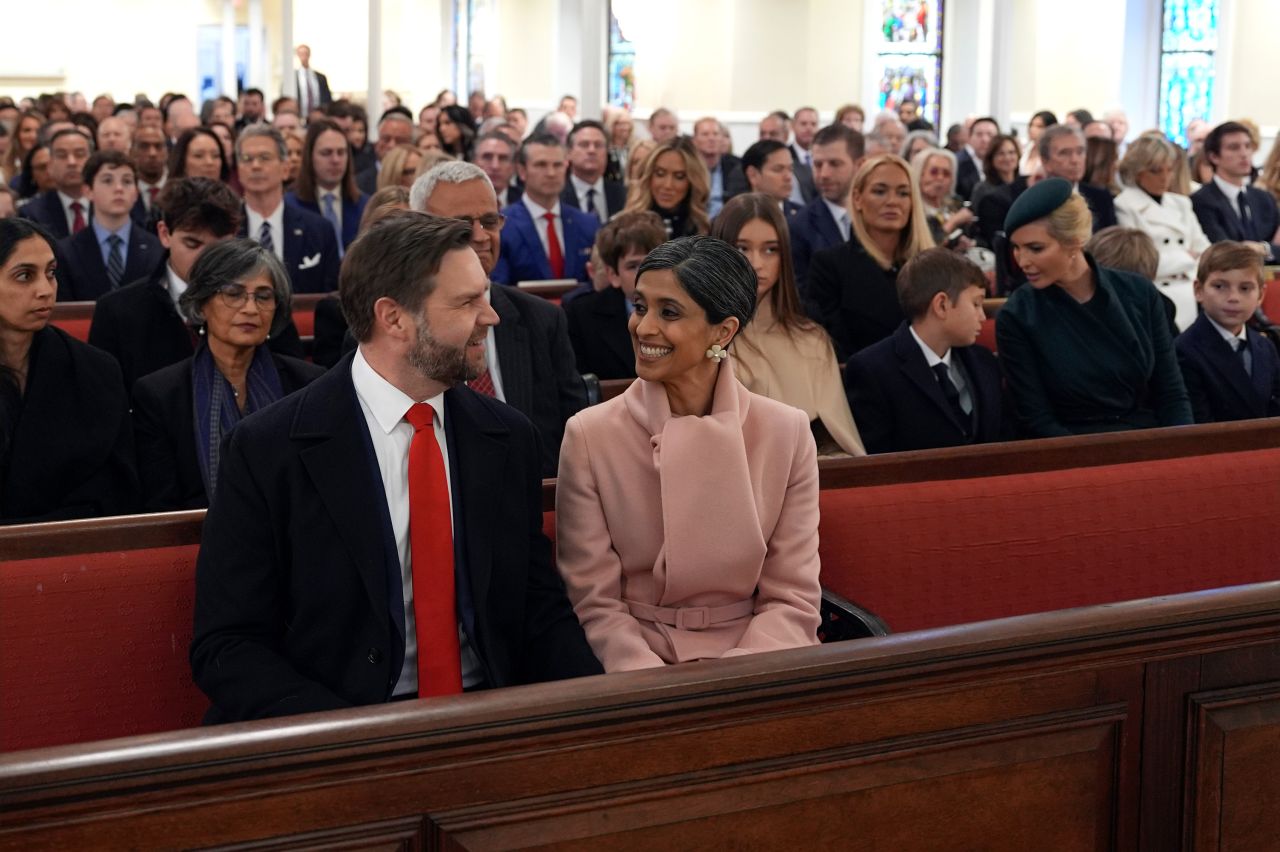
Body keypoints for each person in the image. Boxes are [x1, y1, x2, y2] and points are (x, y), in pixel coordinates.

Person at [190, 214, 602, 722]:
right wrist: (353, 742)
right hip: (335, 725)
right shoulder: (267, 449)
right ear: (394, 318)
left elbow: (537, 609)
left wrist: (600, 709)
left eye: (485, 296)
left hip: (489, 714)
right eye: (467, 302)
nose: (491, 317)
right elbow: (228, 645)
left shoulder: (507, 437)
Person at [556, 235, 822, 671]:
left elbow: (792, 598)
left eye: (669, 312)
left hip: (762, 665)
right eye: (640, 307)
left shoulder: (786, 432)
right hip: (636, 669)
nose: (643, 328)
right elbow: (595, 605)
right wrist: (656, 691)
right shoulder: (590, 435)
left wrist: (737, 682)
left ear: (724, 330)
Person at [412, 160, 588, 476]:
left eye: (490, 221)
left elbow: (574, 437)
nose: (481, 236)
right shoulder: (397, 327)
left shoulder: (543, 320)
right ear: (419, 229)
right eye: (463, 224)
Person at [132, 240, 323, 511]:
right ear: (202, 304)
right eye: (234, 294)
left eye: (263, 296)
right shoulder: (160, 395)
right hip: (199, 544)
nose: (250, 308)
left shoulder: (309, 385)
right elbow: (161, 507)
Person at [996, 178, 1192, 437]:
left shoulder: (1138, 292)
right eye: (1017, 249)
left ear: (1074, 241)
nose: (1022, 261)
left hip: (1148, 440)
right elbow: (1037, 419)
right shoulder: (1018, 315)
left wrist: (1183, 450)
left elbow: (1172, 392)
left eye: (1035, 248)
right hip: (1073, 453)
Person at [89, 177, 302, 390]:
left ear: (235, 237)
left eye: (219, 246)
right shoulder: (118, 311)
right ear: (164, 233)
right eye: (193, 244)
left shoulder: (260, 301)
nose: (206, 259)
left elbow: (293, 384)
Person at [0, 218, 138, 524]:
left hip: (68, 549)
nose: (45, 290)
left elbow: (115, 490)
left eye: (51, 274)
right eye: (24, 276)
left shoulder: (95, 371)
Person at [712, 193, 864, 457]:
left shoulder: (812, 339)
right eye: (742, 249)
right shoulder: (699, 338)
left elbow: (840, 439)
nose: (757, 263)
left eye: (771, 249)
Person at [845, 248, 1007, 453]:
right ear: (941, 305)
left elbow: (1003, 438)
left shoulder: (985, 361)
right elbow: (878, 460)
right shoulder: (872, 370)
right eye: (975, 303)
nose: (982, 317)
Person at [807, 153, 935, 360]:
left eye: (903, 193)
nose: (892, 201)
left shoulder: (931, 266)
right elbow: (831, 346)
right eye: (879, 191)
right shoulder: (829, 265)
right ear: (857, 199)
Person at [1175, 241, 1280, 423]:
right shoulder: (1184, 351)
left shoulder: (1266, 346)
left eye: (1245, 288)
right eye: (1220, 286)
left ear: (1260, 295)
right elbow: (1198, 424)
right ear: (1198, 290)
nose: (1233, 298)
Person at [1113, 135, 1209, 329]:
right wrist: (1186, 257)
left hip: (1191, 293)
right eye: (1156, 171)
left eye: (1169, 169)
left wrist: (1177, 259)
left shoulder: (1181, 203)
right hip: (1155, 295)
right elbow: (1139, 263)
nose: (1165, 177)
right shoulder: (1124, 204)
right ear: (1138, 172)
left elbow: (1205, 250)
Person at [976, 124, 1118, 253]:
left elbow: (1110, 248)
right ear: (1045, 161)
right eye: (1065, 153)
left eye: (1080, 152)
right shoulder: (1004, 200)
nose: (1075, 160)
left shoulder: (1101, 197)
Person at [235, 124, 340, 293]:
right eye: (247, 158)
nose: (255, 166)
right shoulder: (224, 231)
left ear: (285, 168)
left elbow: (331, 296)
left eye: (265, 157)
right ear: (238, 169)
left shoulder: (319, 230)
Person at [566, 210, 666, 381]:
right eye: (633, 266)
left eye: (654, 262)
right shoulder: (581, 314)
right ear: (613, 274)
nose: (646, 273)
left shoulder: (687, 306)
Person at [493, 134, 599, 288]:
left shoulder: (588, 224)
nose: (551, 173)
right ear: (522, 171)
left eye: (557, 165)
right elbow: (500, 289)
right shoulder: (502, 225)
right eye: (541, 165)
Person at [56, 150, 162, 301]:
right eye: (107, 180)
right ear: (88, 191)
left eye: (127, 181)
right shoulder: (66, 252)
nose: (119, 188)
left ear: (136, 193)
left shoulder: (156, 248)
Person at [1190, 121, 1280, 264]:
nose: (1244, 154)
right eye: (1234, 147)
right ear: (1214, 157)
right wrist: (1268, 249)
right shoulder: (1201, 201)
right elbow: (1223, 250)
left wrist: (1264, 249)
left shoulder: (1264, 198)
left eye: (1248, 146)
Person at [790, 124, 864, 293]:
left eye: (834, 164)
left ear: (859, 165)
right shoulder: (798, 227)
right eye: (817, 164)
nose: (824, 174)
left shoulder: (877, 218)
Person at [287, 118, 369, 255]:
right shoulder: (290, 206)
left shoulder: (364, 205)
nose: (335, 160)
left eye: (341, 152)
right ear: (310, 156)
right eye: (326, 153)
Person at [620, 137, 711, 239]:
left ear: (692, 181)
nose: (668, 185)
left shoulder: (705, 231)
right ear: (648, 175)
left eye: (679, 176)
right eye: (660, 174)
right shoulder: (623, 228)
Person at [19, 128, 91, 240]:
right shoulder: (32, 213)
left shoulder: (109, 204)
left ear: (92, 160)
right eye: (62, 155)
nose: (71, 162)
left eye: (79, 154)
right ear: (50, 165)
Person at [560, 120, 627, 223]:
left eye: (598, 145)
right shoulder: (556, 195)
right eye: (584, 145)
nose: (592, 150)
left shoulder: (623, 195)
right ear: (569, 152)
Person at [911, 147, 975, 246]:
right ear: (920, 174)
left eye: (946, 174)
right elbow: (927, 245)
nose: (940, 178)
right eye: (934, 172)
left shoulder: (955, 203)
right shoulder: (911, 207)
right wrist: (954, 221)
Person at [355, 109, 415, 194]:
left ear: (412, 145)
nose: (392, 145)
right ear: (377, 140)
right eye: (386, 139)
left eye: (400, 141)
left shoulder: (420, 182)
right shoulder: (357, 184)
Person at [739, 140, 800, 221]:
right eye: (778, 169)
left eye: (790, 169)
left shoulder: (804, 217)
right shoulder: (733, 218)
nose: (788, 177)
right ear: (753, 175)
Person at [969, 133, 1020, 211]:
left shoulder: (1024, 185)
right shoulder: (982, 189)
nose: (1007, 158)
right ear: (991, 158)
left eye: (1011, 152)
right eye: (1001, 153)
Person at [955, 116, 998, 200]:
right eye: (979, 134)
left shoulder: (1004, 164)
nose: (985, 139)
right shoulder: (958, 163)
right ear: (969, 137)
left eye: (990, 135)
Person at [473, 131, 521, 207]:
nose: (495, 166)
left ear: (513, 166)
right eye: (487, 157)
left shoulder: (525, 201)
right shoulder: (458, 199)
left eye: (503, 158)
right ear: (474, 162)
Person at [284, 45, 332, 118]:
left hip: (318, 117)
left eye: (306, 53)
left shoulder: (320, 77)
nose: (304, 56)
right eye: (301, 54)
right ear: (298, 55)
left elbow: (327, 98)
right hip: (299, 116)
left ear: (309, 54)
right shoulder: (292, 77)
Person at [602, 107, 635, 184]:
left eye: (627, 123)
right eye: (621, 124)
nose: (625, 127)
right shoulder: (605, 148)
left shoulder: (634, 147)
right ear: (612, 125)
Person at [1020, 110, 1056, 177]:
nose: (1032, 129)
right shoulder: (1024, 148)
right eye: (1031, 125)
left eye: (1039, 126)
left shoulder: (1053, 152)